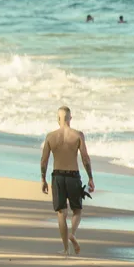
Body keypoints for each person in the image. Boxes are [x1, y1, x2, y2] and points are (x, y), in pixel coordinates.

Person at [40, 106, 94, 256]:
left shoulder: (50, 136)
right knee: (77, 210)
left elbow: (44, 161)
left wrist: (43, 179)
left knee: (61, 213)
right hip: (73, 176)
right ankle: (73, 233)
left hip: (57, 176)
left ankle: (65, 249)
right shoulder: (77, 135)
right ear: (70, 119)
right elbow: (85, 159)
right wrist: (90, 178)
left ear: (58, 119)